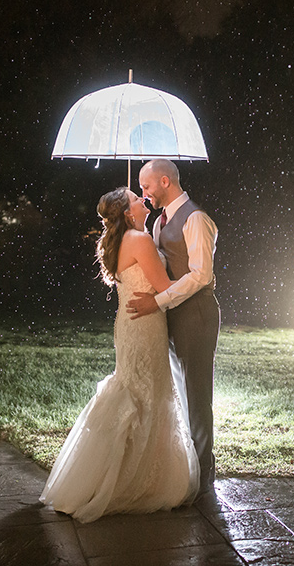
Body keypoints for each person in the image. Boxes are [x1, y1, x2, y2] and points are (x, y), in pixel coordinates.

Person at [39, 187, 199, 523]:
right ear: (128, 212)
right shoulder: (139, 240)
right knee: (147, 392)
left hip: (131, 322)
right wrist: (192, 273)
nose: (143, 200)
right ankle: (137, 481)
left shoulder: (131, 238)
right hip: (144, 323)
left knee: (134, 388)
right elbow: (162, 286)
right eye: (136, 198)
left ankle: (104, 476)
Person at [126, 159, 220, 497]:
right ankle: (188, 467)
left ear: (164, 181)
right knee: (179, 391)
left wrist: (159, 301)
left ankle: (203, 476)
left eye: (146, 186)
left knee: (197, 393)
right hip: (170, 315)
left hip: (195, 313)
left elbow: (200, 275)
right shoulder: (158, 222)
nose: (143, 193)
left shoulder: (196, 219)